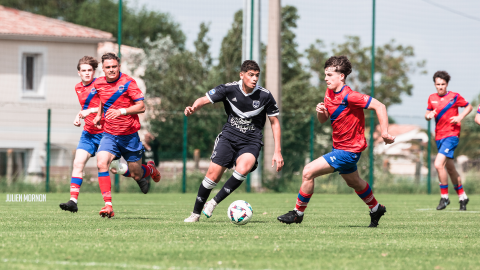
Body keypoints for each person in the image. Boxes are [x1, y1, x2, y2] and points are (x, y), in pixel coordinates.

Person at [277, 56, 395, 227]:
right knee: (354, 182)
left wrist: (384, 132)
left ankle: (298, 213)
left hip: (348, 151)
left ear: (341, 76)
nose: (326, 78)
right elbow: (323, 120)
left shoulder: (351, 96)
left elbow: (380, 106)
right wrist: (320, 111)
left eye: (330, 75)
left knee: (308, 171)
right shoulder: (329, 93)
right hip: (339, 148)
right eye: (325, 74)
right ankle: (376, 208)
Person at [183, 60, 284, 222]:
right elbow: (203, 99)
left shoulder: (265, 95)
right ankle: (195, 214)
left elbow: (275, 122)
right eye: (251, 75)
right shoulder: (228, 89)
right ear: (241, 75)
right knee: (212, 176)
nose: (254, 79)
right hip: (228, 138)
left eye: (257, 75)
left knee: (243, 169)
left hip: (251, 141)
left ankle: (213, 203)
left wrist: (277, 151)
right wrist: (193, 107)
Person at [93, 52, 161, 218]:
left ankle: (150, 169)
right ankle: (108, 206)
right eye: (108, 67)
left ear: (119, 66)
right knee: (102, 163)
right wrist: (98, 115)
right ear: (103, 68)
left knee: (136, 174)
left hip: (129, 136)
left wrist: (121, 111)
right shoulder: (98, 83)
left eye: (114, 67)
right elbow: (103, 98)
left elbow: (141, 107)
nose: (111, 70)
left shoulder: (128, 82)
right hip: (109, 134)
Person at [59, 56, 102, 213]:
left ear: (94, 71)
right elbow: (86, 107)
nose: (87, 73)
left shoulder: (100, 85)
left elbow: (106, 106)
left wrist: (88, 111)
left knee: (116, 168)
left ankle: (145, 172)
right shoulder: (78, 87)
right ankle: (73, 201)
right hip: (89, 133)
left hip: (106, 133)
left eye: (90, 70)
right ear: (79, 73)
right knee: (78, 163)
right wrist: (78, 117)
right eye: (83, 70)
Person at [425, 71, 472, 211]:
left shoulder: (454, 96)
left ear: (447, 84)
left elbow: (468, 106)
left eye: (443, 84)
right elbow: (427, 114)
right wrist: (429, 116)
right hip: (439, 137)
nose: (440, 87)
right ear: (434, 84)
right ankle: (463, 196)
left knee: (438, 164)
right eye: (438, 84)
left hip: (452, 135)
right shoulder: (431, 98)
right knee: (450, 169)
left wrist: (460, 117)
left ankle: (444, 197)